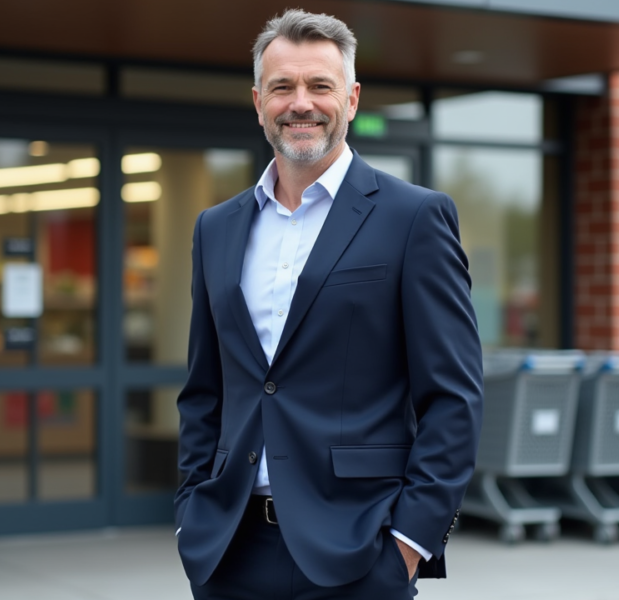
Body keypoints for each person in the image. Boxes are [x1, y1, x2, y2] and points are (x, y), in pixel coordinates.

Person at [175, 9, 483, 599]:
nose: (301, 103)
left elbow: (453, 398)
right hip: (228, 552)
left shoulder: (413, 218)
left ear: (352, 97)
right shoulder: (216, 228)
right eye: (282, 87)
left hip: (359, 554)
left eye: (320, 85)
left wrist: (411, 544)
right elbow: (204, 388)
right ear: (258, 100)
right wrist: (192, 509)